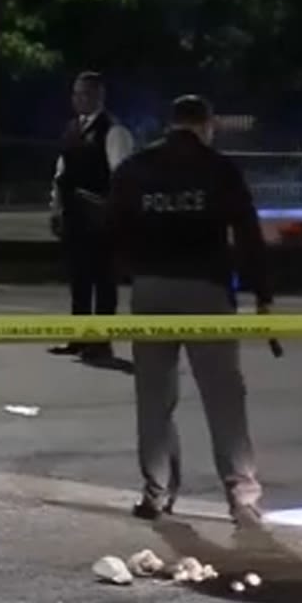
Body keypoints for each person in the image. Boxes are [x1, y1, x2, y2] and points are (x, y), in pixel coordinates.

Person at [107, 95, 271, 527]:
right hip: (207, 291)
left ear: (172, 124)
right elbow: (248, 233)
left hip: (151, 290)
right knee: (223, 398)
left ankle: (156, 493)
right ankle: (242, 497)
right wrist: (263, 294)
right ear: (207, 125)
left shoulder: (136, 169)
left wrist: (134, 273)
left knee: (154, 397)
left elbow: (112, 229)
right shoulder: (219, 170)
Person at [47, 71, 134, 361]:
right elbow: (61, 172)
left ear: (99, 96)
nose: (79, 99)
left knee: (103, 281)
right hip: (74, 216)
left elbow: (121, 177)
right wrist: (55, 206)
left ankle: (101, 341)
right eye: (76, 94)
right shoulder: (71, 129)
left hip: (100, 218)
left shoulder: (113, 131)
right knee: (78, 280)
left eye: (85, 93)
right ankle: (79, 337)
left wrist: (115, 215)